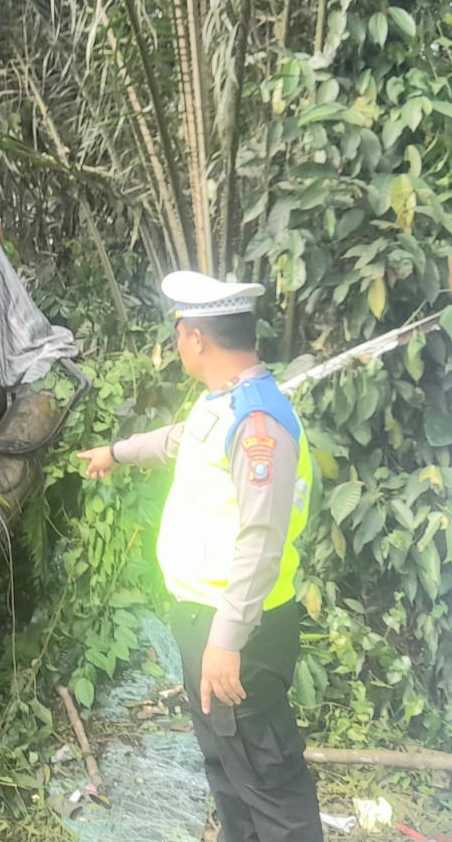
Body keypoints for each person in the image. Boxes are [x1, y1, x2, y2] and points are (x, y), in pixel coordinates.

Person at [78, 270, 322, 842]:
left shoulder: (257, 423)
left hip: (240, 633)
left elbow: (263, 540)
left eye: (178, 332)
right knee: (229, 772)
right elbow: (176, 439)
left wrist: (227, 640)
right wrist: (115, 451)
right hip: (205, 623)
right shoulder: (223, 405)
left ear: (194, 339)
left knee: (268, 781)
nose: (177, 342)